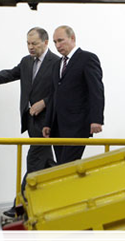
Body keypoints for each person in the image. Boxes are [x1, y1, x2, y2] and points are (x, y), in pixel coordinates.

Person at [0, 27, 60, 217]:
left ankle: (20, 205)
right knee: (46, 163)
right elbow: (9, 75)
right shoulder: (26, 62)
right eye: (28, 44)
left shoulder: (56, 63)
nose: (30, 47)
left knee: (34, 159)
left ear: (46, 43)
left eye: (34, 44)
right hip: (30, 121)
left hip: (48, 122)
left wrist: (44, 102)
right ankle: (56, 197)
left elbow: (62, 91)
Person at [43, 25, 105, 165]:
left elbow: (96, 90)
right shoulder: (57, 64)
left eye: (61, 41)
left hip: (77, 125)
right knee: (62, 167)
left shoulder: (87, 58)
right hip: (58, 126)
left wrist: (96, 119)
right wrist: (48, 122)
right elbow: (53, 94)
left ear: (72, 38)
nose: (58, 46)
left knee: (67, 165)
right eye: (55, 42)